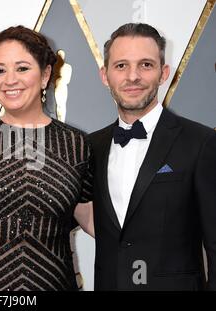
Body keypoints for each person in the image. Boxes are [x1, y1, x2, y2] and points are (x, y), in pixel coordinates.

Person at [0, 25, 94, 291]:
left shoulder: (76, 143)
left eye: (22, 68)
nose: (9, 80)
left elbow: (90, 219)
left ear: (45, 75)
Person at [90, 23, 216, 290]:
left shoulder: (201, 143)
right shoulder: (91, 147)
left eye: (145, 65)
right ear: (105, 75)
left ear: (163, 73)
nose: (133, 76)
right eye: (121, 65)